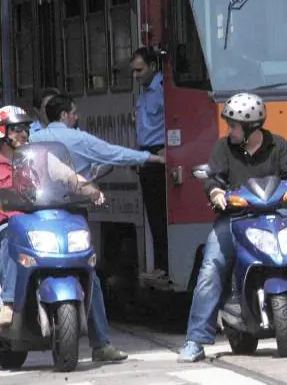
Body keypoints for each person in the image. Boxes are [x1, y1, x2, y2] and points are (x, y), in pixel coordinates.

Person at [178, 92, 287, 363]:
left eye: (233, 125)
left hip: (273, 216)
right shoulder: (223, 148)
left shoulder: (278, 146)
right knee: (211, 268)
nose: (229, 129)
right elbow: (212, 179)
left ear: (250, 129)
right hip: (234, 219)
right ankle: (195, 340)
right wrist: (215, 193)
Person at [0, 106, 128, 362]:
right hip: (7, 223)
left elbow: (68, 176)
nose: (24, 133)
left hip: (40, 221)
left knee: (87, 267)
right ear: (3, 132)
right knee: (8, 240)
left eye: (26, 127)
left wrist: (90, 190)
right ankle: (8, 302)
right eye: (17, 128)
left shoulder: (38, 157)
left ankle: (101, 343)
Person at [30, 94, 164, 178]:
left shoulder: (34, 139)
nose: (76, 117)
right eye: (74, 113)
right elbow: (115, 154)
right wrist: (154, 158)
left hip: (43, 207)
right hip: (74, 205)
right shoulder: (79, 138)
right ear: (64, 115)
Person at [130, 47, 169, 277]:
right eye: (133, 71)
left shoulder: (164, 90)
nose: (136, 76)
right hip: (145, 155)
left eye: (139, 70)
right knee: (153, 214)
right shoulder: (144, 93)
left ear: (153, 67)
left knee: (162, 214)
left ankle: (165, 264)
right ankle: (160, 265)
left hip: (160, 155)